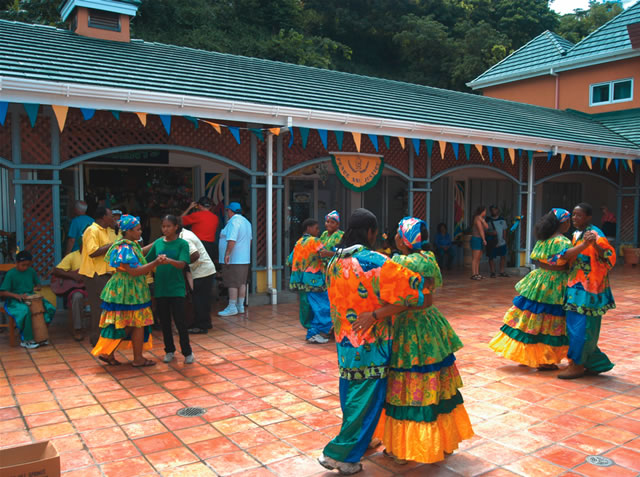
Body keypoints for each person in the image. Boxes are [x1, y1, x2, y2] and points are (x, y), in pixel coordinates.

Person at [318, 208, 426, 476]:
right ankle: (340, 454)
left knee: (350, 394)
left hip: (344, 343)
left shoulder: (332, 263)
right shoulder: (376, 261)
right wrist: (376, 314)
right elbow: (415, 294)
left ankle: (352, 447)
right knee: (367, 400)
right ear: (370, 233)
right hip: (373, 342)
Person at [382, 217, 473, 464]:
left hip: (409, 326)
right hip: (430, 324)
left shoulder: (399, 262)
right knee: (435, 382)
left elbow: (396, 296)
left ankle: (406, 446)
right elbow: (427, 295)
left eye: (398, 234)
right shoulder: (429, 259)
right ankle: (442, 441)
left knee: (408, 384)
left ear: (404, 238)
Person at [489, 209, 595, 370]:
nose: (569, 224)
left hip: (540, 279)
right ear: (563, 223)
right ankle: (546, 359)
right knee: (550, 320)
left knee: (532, 318)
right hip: (554, 283)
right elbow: (564, 256)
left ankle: (527, 354)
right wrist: (585, 245)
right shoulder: (561, 241)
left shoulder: (543, 239)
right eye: (568, 221)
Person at [91, 215, 165, 367]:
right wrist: (155, 263)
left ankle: (110, 353)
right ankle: (136, 358)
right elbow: (134, 271)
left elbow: (139, 253)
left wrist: (156, 242)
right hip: (127, 291)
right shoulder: (125, 248)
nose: (140, 232)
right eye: (137, 229)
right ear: (129, 231)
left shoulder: (129, 245)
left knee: (131, 323)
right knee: (136, 322)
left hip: (128, 290)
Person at [559, 203, 616, 380]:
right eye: (573, 215)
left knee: (582, 328)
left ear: (588, 217)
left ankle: (578, 364)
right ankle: (595, 363)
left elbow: (609, 257)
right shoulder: (577, 234)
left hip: (589, 289)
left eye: (579, 216)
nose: (575, 218)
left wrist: (595, 245)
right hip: (575, 286)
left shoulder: (595, 234)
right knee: (575, 327)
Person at [146, 215, 195, 364]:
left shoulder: (182, 244)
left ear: (175, 227)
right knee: (164, 322)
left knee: (180, 322)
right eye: (163, 226)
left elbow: (182, 264)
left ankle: (187, 352)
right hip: (161, 289)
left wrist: (168, 261)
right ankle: (169, 350)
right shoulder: (158, 243)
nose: (165, 229)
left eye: (168, 226)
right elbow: (147, 260)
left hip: (177, 288)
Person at [288, 218, 334, 343]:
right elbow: (324, 254)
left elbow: (289, 260)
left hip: (301, 280)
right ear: (309, 228)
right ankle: (314, 333)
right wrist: (337, 255)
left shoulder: (298, 242)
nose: (318, 231)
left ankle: (314, 331)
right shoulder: (315, 241)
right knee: (323, 306)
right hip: (315, 280)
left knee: (309, 307)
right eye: (316, 228)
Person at [0, 251, 56, 348]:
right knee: (25, 310)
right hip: (14, 300)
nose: (25, 267)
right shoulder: (11, 274)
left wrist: (37, 287)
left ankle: (40, 334)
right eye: (23, 265)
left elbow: (37, 284)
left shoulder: (31, 271)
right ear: (16, 263)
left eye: (28, 265)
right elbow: (2, 292)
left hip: (30, 296)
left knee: (49, 308)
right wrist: (17, 296)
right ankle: (27, 339)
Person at [79, 206, 117, 346]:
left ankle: (104, 338)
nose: (112, 218)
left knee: (106, 306)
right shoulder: (92, 230)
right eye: (110, 215)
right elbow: (93, 252)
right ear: (102, 217)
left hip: (105, 272)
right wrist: (112, 245)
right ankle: (97, 340)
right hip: (94, 273)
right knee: (99, 307)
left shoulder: (107, 230)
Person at [180, 226, 217, 334]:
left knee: (199, 299)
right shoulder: (185, 233)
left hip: (203, 271)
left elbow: (195, 255)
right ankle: (206, 323)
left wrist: (182, 263)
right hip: (204, 270)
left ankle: (201, 326)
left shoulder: (185, 238)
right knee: (203, 299)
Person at [218, 202, 252, 317]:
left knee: (232, 282)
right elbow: (250, 240)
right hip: (244, 258)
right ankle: (240, 306)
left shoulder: (233, 222)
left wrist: (227, 254)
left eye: (227, 211)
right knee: (242, 282)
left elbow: (231, 239)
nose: (227, 213)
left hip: (234, 259)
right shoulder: (246, 222)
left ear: (230, 211)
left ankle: (232, 307)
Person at [52, 243, 87, 341]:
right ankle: (78, 329)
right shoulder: (72, 256)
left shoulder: (95, 257)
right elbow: (56, 271)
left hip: (91, 286)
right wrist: (73, 276)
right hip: (78, 288)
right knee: (77, 297)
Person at [181, 196, 219, 262]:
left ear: (200, 206)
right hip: (210, 247)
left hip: (198, 245)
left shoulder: (196, 215)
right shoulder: (215, 218)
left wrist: (189, 207)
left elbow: (180, 221)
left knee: (192, 269)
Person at [485, 206, 509, 278]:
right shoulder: (488, 220)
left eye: (495, 210)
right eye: (492, 210)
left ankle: (502, 271)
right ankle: (492, 272)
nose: (493, 211)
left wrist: (505, 240)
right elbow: (485, 231)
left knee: (503, 256)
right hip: (492, 242)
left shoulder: (502, 220)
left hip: (501, 242)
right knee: (491, 257)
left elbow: (505, 230)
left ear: (497, 210)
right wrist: (490, 233)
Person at [470, 205, 488, 280]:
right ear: (482, 211)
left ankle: (477, 273)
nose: (486, 213)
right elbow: (480, 230)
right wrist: (484, 239)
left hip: (479, 239)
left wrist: (483, 220)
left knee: (478, 258)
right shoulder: (477, 219)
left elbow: (487, 227)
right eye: (485, 211)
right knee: (475, 257)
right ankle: (474, 274)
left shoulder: (481, 219)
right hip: (476, 239)